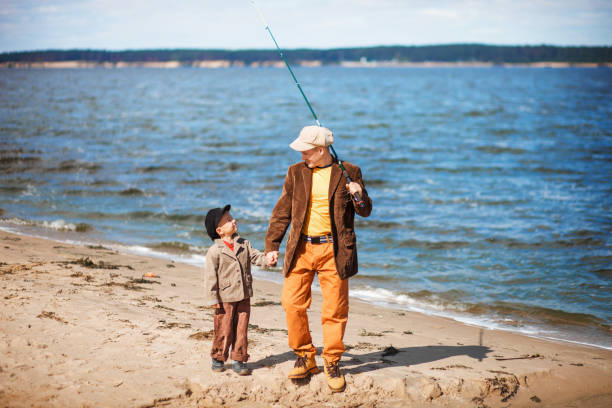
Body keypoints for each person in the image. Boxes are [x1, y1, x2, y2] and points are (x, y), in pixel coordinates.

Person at [265, 125, 372, 392]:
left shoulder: (349, 171)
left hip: (334, 250)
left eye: (307, 151)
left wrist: (358, 193)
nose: (303, 155)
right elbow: (282, 212)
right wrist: (272, 244)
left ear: (321, 150)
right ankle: (304, 355)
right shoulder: (295, 172)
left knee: (335, 310)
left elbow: (365, 211)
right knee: (291, 303)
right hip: (300, 248)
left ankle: (332, 361)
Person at [203, 204, 273, 375]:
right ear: (219, 230)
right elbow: (210, 277)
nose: (233, 220)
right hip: (224, 297)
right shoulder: (214, 251)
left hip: (244, 295)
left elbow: (256, 257)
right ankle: (218, 356)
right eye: (228, 220)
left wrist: (268, 259)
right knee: (223, 329)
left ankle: (239, 358)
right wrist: (213, 299)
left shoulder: (244, 244)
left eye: (232, 218)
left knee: (241, 329)